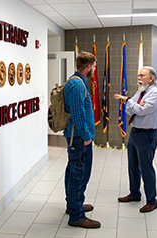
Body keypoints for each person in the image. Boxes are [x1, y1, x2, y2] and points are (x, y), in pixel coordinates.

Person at [114, 66, 157, 213]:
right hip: (135, 133)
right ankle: (134, 193)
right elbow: (131, 110)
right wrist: (133, 104)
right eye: (138, 75)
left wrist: (130, 101)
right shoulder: (141, 92)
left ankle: (151, 201)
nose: (139, 78)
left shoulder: (156, 94)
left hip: (147, 135)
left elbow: (141, 110)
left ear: (151, 78)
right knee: (133, 166)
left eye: (142, 75)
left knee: (146, 168)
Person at [63, 51, 100, 228]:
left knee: (73, 172)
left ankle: (73, 205)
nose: (93, 69)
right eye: (93, 66)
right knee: (78, 175)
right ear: (87, 67)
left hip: (76, 137)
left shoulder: (75, 81)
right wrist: (86, 137)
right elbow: (78, 115)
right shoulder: (77, 85)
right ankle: (77, 216)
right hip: (78, 138)